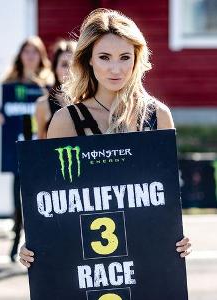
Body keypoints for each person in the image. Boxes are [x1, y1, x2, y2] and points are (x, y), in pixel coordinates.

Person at [19, 9, 191, 267]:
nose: (115, 68)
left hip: (147, 258)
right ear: (88, 59)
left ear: (136, 59)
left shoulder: (158, 116)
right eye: (104, 57)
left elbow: (165, 196)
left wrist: (178, 236)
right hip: (86, 259)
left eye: (124, 57)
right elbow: (52, 199)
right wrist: (36, 241)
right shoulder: (66, 121)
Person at [6, 36, 53, 262]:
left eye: (35, 51)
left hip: (39, 149)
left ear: (41, 56)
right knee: (17, 198)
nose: (30, 55)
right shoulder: (10, 83)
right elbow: (0, 109)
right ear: (20, 55)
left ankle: (37, 241)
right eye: (26, 51)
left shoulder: (49, 83)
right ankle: (15, 239)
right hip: (18, 149)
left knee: (37, 198)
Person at [35, 39, 77, 139]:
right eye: (64, 65)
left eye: (74, 65)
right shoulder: (42, 105)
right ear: (55, 68)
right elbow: (40, 143)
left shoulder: (92, 101)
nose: (69, 71)